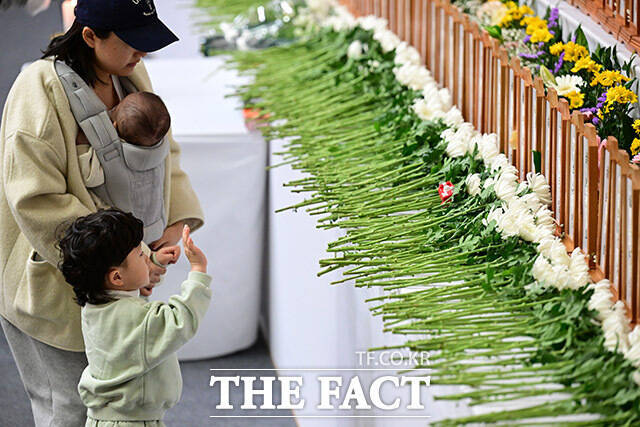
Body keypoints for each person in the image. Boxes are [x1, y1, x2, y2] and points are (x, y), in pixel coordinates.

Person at [0, 0, 204, 425]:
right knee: (70, 410)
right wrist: (131, 259)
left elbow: (164, 148)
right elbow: (36, 201)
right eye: (132, 42)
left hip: (118, 275)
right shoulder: (38, 92)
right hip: (56, 286)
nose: (141, 53)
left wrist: (172, 224)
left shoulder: (127, 72)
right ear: (90, 36)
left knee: (116, 405)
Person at [57, 208, 211, 427]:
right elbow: (180, 320)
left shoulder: (96, 306)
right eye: (141, 254)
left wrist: (152, 264)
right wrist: (198, 271)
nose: (147, 256)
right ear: (117, 277)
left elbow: (128, 290)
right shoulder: (134, 317)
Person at [77, 91, 172, 208]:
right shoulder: (162, 149)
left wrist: (82, 144)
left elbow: (89, 177)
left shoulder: (111, 155)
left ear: (114, 126)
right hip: (155, 216)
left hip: (119, 216)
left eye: (116, 107)